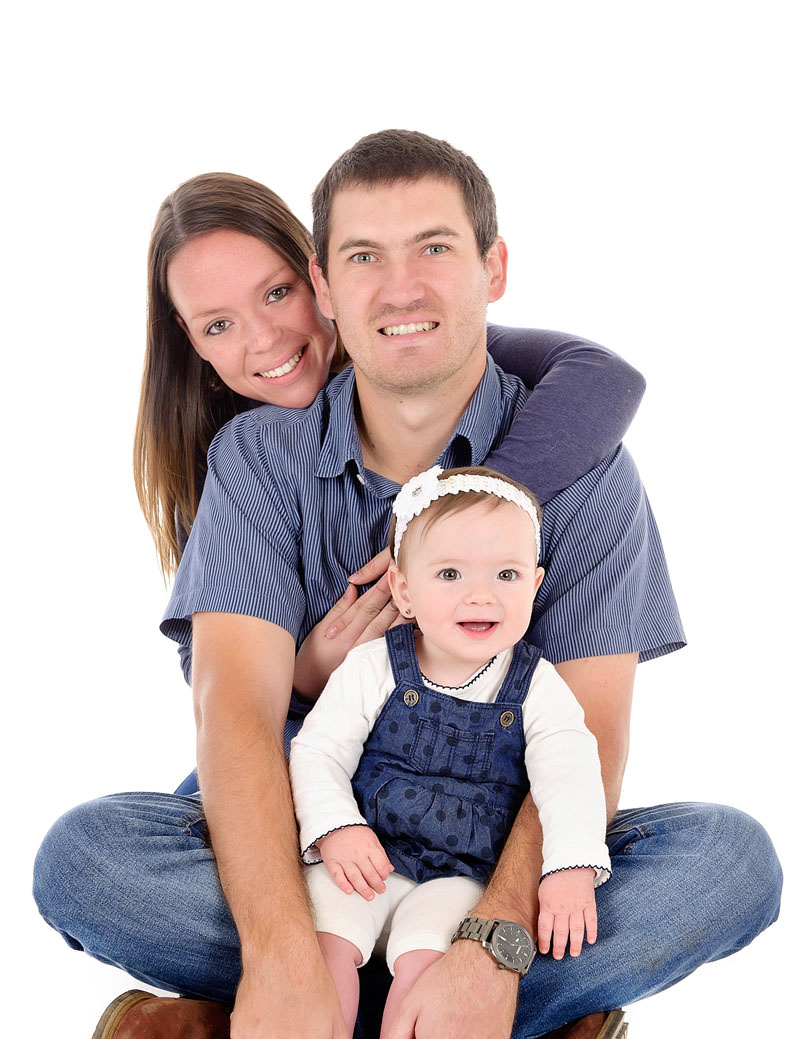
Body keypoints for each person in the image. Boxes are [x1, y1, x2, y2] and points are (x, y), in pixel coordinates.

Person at [33, 131, 781, 1039]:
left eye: (431, 247)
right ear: (327, 284)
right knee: (82, 858)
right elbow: (234, 715)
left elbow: (585, 741)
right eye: (361, 258)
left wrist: (495, 948)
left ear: (492, 268)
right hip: (313, 843)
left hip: (484, 855)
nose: (398, 288)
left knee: (728, 862)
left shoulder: (584, 469)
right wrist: (281, 943)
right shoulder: (258, 457)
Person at [132, 170, 647, 707]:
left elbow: (601, 375)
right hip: (305, 745)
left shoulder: (416, 346)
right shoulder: (244, 455)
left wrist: (463, 510)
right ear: (189, 339)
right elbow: (225, 693)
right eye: (218, 325)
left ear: (323, 281)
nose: (264, 338)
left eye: (278, 293)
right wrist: (310, 670)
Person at [290, 465, 612, 1039]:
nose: (480, 596)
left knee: (429, 964)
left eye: (505, 575)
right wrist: (337, 828)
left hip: (462, 878)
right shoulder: (375, 665)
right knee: (327, 944)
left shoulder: (537, 687)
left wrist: (571, 867)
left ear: (536, 584)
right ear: (403, 591)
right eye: (449, 576)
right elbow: (317, 752)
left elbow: (571, 776)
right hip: (367, 858)